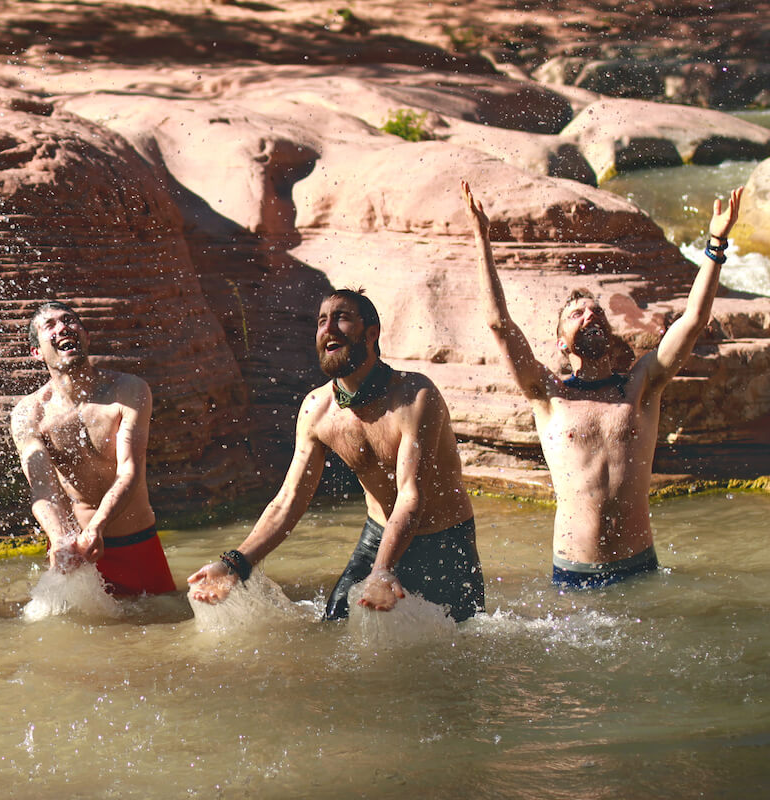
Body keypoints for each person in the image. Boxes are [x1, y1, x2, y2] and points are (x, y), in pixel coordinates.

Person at [461, 181, 742, 589]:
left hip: (640, 571)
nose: (590, 315)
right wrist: (480, 239)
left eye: (596, 311)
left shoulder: (641, 385)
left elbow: (694, 320)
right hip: (573, 575)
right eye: (576, 313)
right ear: (561, 341)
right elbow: (499, 324)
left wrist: (716, 242)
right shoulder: (548, 394)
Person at [188, 289, 484, 622]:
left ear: (372, 334)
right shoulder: (317, 409)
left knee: (461, 644)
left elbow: (411, 495)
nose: (328, 328)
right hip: (378, 535)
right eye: (321, 321)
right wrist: (234, 564)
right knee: (335, 626)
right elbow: (290, 500)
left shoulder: (415, 397)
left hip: (442, 541)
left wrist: (382, 572)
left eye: (341, 318)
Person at [10, 301, 176, 596]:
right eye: (49, 325)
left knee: (165, 629)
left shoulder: (127, 391)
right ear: (36, 352)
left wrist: (96, 527)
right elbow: (43, 489)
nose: (62, 327)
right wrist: (60, 539)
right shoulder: (28, 413)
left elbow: (129, 471)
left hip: (135, 543)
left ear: (85, 336)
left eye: (69, 321)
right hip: (73, 552)